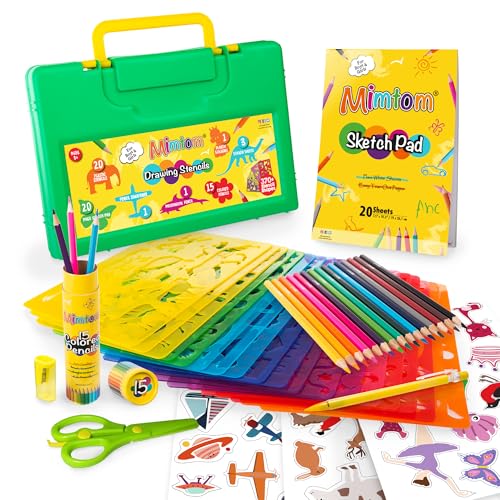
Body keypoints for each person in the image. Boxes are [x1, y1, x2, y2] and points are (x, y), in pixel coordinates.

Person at [382, 426, 473, 497]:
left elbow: (404, 462)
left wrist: (389, 460)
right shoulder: (432, 470)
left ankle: (420, 420)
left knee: (420, 427)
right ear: (423, 477)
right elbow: (447, 479)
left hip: (422, 448)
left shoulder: (421, 467)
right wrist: (458, 492)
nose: (416, 474)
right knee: (421, 427)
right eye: (417, 476)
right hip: (428, 447)